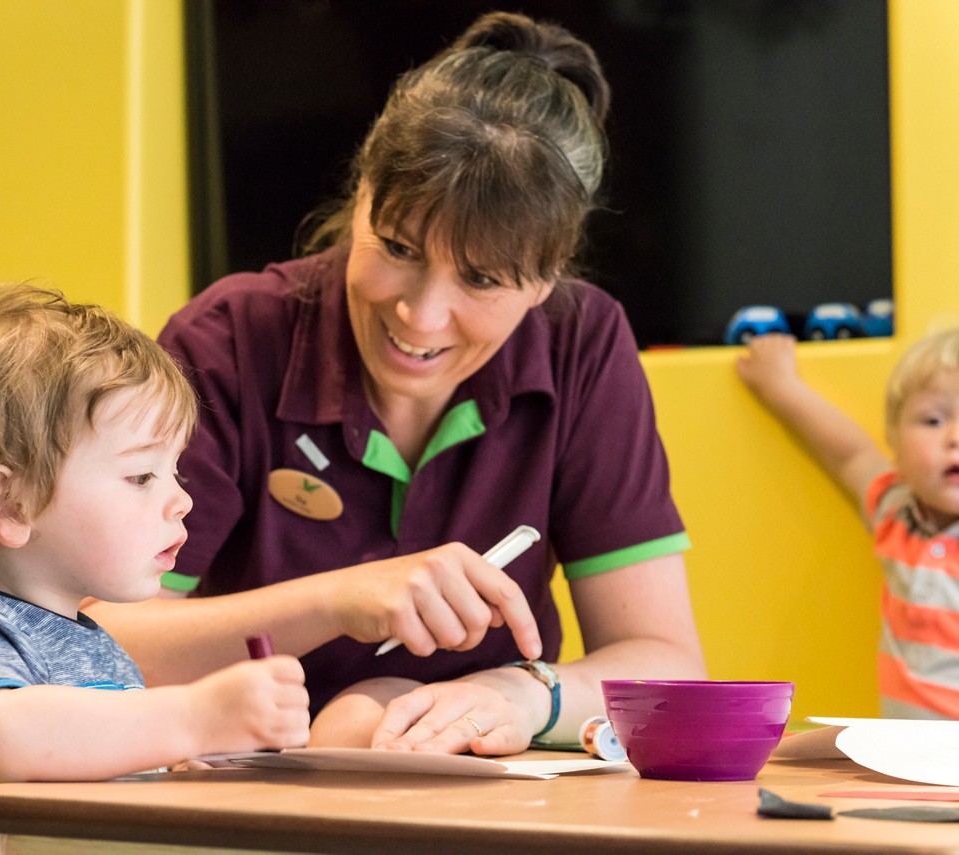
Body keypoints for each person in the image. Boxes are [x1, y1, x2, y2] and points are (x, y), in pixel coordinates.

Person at [85, 10, 705, 756]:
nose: (421, 312)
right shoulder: (228, 342)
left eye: (480, 278)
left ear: (547, 278)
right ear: (362, 197)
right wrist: (336, 600)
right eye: (399, 247)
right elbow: (98, 643)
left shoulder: (583, 342)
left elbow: (667, 669)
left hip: (487, 801)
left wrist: (520, 693)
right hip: (250, 793)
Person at [0, 284, 310, 854]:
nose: (182, 500)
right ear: (11, 505)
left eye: (174, 471)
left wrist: (174, 768)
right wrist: (191, 716)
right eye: (140, 477)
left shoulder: (92, 645)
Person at [737, 330, 959, 719]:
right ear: (896, 445)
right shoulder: (895, 513)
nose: (955, 438)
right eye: (934, 419)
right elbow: (847, 453)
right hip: (904, 764)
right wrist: (781, 385)